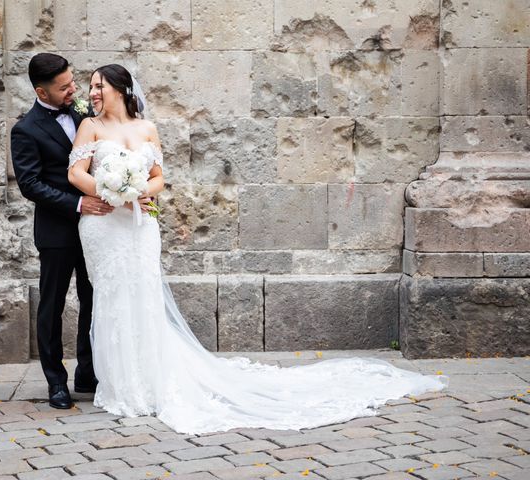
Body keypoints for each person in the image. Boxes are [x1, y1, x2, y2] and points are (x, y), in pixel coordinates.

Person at [67, 64, 447, 434]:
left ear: (120, 88)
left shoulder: (147, 128)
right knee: (113, 296)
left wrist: (137, 193)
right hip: (104, 224)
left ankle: (151, 379)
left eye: (99, 86)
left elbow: (159, 179)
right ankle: (122, 385)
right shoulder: (91, 127)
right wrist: (109, 192)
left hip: (140, 225)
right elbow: (75, 173)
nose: (92, 93)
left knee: (144, 296)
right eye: (91, 87)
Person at [10, 53, 109, 410]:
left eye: (73, 83)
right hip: (56, 231)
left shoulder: (83, 113)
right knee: (52, 305)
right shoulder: (25, 129)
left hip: (96, 228)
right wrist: (78, 204)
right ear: (42, 91)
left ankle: (87, 371)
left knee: (92, 299)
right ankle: (56, 381)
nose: (74, 90)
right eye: (64, 87)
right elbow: (30, 184)